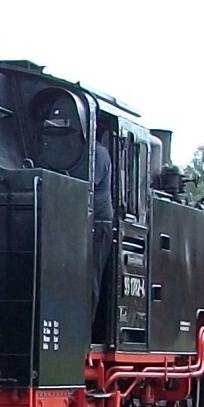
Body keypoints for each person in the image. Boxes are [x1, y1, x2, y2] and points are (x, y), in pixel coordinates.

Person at [91, 137, 114, 321]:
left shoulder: (99, 153)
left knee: (91, 277)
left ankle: (87, 325)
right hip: (89, 220)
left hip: (99, 222)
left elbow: (90, 183)